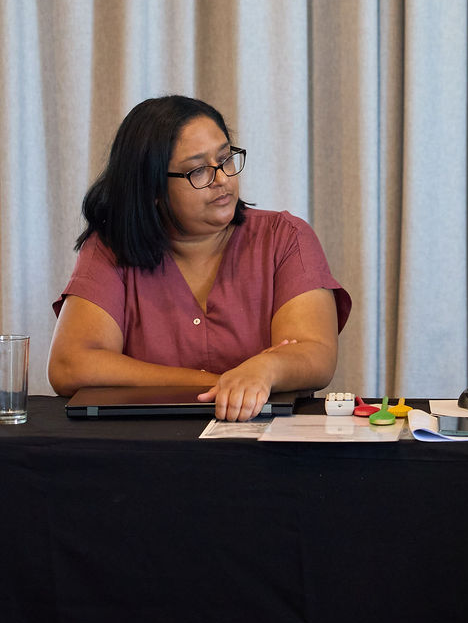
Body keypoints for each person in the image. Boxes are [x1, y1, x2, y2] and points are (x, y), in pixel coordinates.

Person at [48, 95, 350, 421]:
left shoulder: (285, 237)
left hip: (263, 438)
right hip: (147, 442)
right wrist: (226, 382)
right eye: (198, 170)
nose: (222, 179)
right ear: (152, 188)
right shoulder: (111, 247)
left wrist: (268, 368)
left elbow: (315, 355)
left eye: (225, 159)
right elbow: (70, 365)